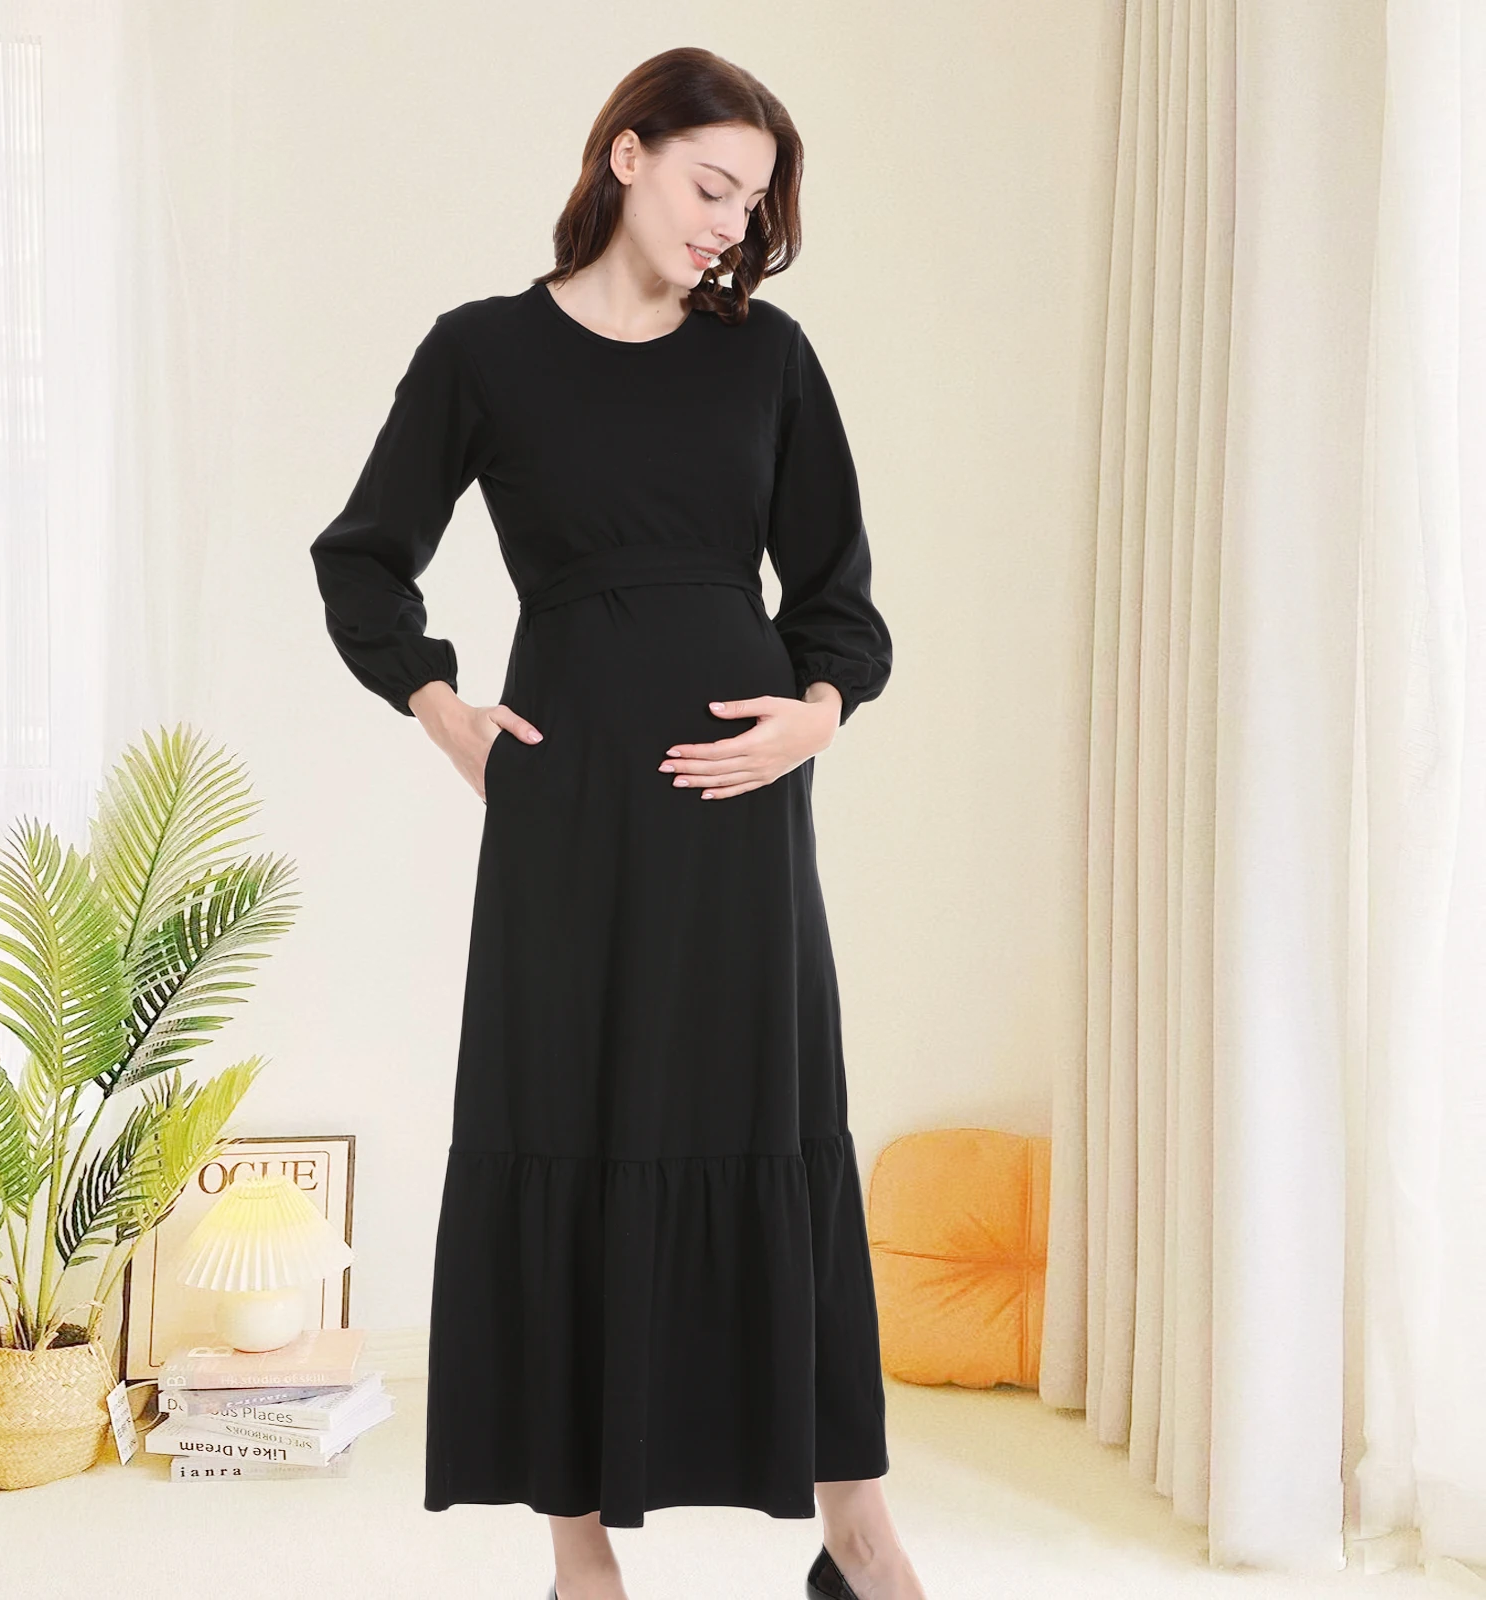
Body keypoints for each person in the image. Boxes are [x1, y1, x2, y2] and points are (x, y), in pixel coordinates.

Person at [309, 45, 926, 1600]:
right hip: (569, 802)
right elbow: (364, 556)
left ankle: (859, 1534)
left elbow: (838, 594)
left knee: (775, 1122)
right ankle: (580, 1555)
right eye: (714, 185)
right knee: (570, 1121)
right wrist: (442, 707)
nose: (732, 224)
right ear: (629, 155)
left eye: (755, 204)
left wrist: (818, 714)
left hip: (740, 817)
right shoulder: (485, 353)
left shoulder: (766, 359)